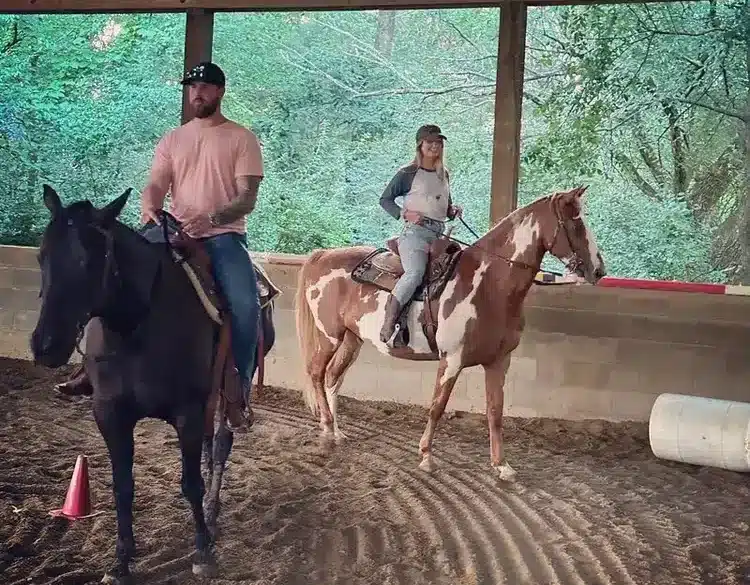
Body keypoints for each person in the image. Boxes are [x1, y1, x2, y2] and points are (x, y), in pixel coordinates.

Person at [56, 62, 265, 424]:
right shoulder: (173, 139)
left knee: (246, 306)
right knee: (112, 276)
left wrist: (213, 218)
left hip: (223, 236)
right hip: (172, 229)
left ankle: (237, 389)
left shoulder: (241, 138)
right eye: (192, 87)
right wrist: (150, 202)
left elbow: (247, 197)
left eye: (205, 87)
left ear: (220, 91)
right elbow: (157, 182)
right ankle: (90, 369)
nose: (197, 93)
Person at [378, 124, 462, 346]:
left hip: (440, 234)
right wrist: (404, 213)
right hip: (415, 233)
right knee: (415, 273)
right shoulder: (407, 173)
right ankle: (389, 322)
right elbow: (385, 199)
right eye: (430, 142)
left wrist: (452, 211)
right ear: (420, 145)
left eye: (438, 142)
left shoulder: (443, 174)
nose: (435, 146)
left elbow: (445, 207)